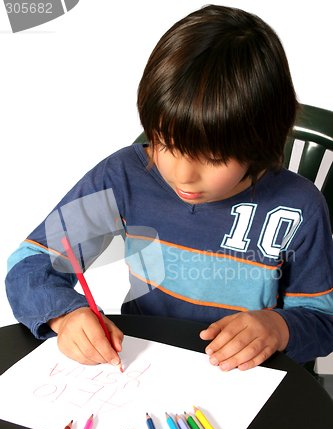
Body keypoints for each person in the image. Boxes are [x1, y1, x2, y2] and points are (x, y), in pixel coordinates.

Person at [5, 5, 333, 372]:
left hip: (253, 381)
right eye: (165, 143)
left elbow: (324, 321)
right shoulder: (126, 175)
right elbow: (30, 265)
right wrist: (65, 315)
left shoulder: (301, 207)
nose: (182, 174)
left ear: (260, 141)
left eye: (211, 157)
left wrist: (278, 327)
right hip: (147, 367)